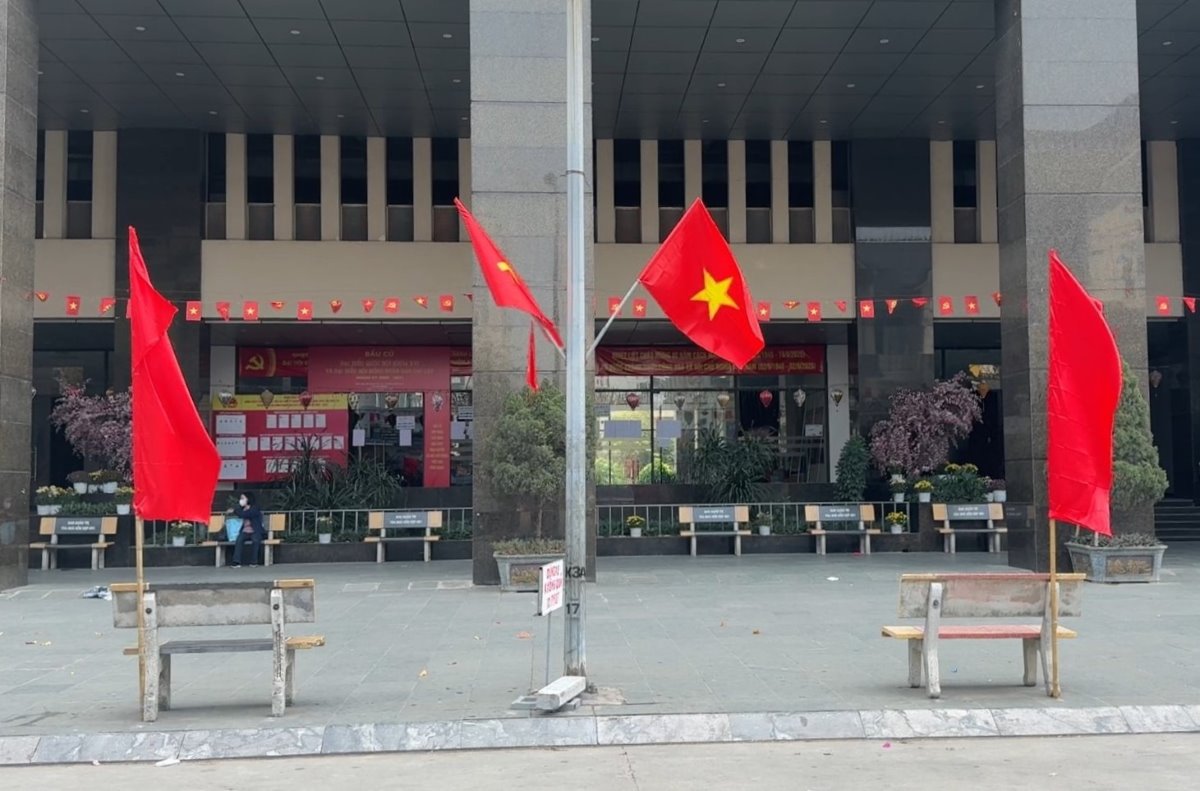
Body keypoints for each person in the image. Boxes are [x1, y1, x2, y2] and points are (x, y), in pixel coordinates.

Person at [228, 492, 264, 568]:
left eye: (243, 498)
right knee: (239, 540)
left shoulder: (254, 508)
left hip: (255, 531)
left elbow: (246, 514)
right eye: (241, 498)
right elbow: (241, 513)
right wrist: (235, 510)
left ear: (248, 499)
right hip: (245, 531)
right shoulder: (242, 509)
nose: (241, 500)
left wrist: (234, 511)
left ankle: (254, 562)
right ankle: (236, 562)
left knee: (255, 540)